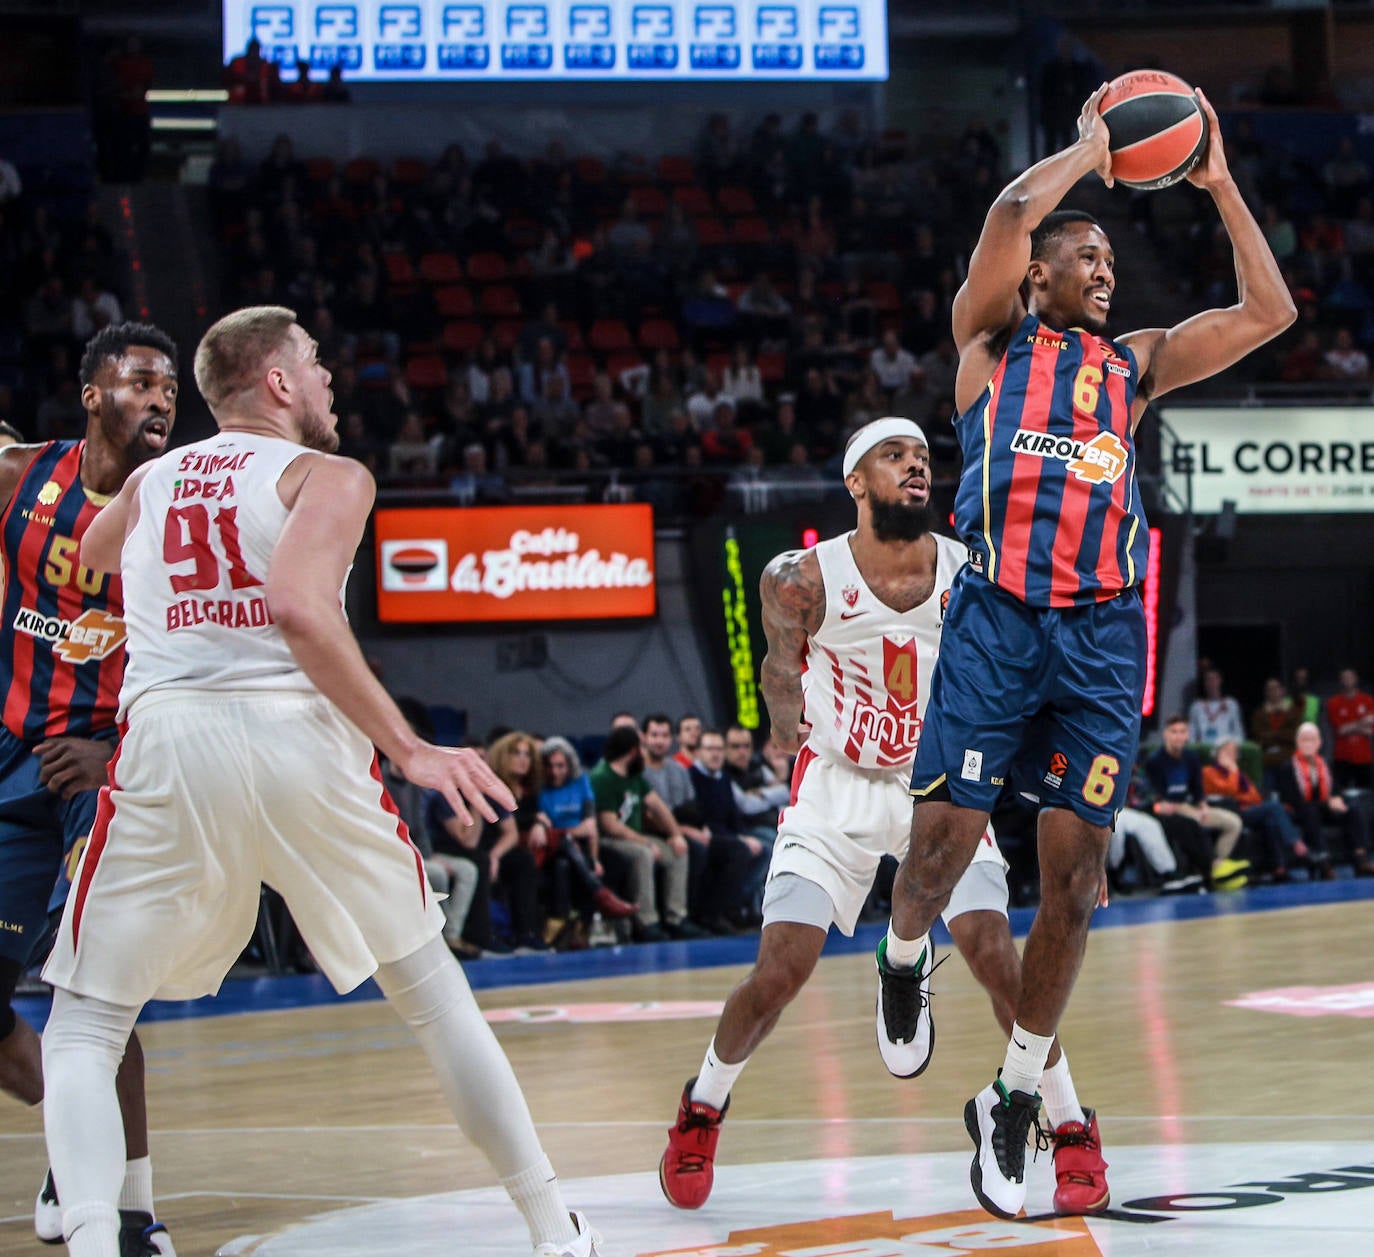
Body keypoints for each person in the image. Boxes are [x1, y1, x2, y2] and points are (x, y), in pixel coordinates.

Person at [39, 306, 601, 1257]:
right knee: (431, 994)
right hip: (296, 734)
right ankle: (554, 1227)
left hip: (170, 741)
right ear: (278, 384)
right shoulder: (329, 474)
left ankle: (96, 1239)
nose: (330, 376)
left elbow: (88, 558)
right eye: (315, 362)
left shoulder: (149, 480)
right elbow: (298, 606)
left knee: (85, 1024)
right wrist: (409, 747)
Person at [876, 84, 1294, 1220]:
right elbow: (1017, 204)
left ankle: (1015, 1092)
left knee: (1077, 885)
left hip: (1102, 637)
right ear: (1036, 277)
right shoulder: (988, 350)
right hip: (998, 620)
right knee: (935, 854)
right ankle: (903, 954)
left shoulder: (1137, 366)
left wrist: (1215, 183)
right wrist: (1090, 152)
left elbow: (1269, 310)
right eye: (1085, 256)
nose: (1105, 270)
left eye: (1112, 258)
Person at [659, 419, 1110, 1219]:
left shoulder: (975, 571)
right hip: (836, 782)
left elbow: (1035, 688)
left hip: (937, 786)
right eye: (893, 456)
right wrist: (780, 726)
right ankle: (703, 1105)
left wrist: (1068, 814)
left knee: (995, 956)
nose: (915, 466)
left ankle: (1070, 1124)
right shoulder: (800, 578)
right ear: (856, 482)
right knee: (778, 974)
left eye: (923, 458)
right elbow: (776, 664)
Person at [0, 323, 179, 1255]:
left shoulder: (181, 508)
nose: (159, 397)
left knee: (92, 996)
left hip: (113, 770)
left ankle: (135, 1209)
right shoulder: (21, 477)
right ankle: (74, 1153)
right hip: (11, 753)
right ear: (92, 393)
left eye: (170, 388)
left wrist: (113, 751)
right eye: (141, 380)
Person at [1145, 716, 1249, 888]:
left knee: (1234, 823)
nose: (1178, 736)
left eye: (1182, 732)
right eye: (1174, 732)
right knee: (1193, 820)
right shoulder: (1155, 760)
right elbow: (1158, 799)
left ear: (1188, 735)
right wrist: (1187, 809)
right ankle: (1214, 867)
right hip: (1167, 809)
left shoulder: (1191, 757)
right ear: (1166, 734)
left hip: (1190, 806)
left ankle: (1219, 869)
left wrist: (1203, 806)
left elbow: (1197, 790)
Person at [1326, 668, 1374, 791]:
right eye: (1344, 678)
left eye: (1350, 677)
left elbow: (1370, 731)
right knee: (1342, 793)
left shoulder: (1368, 701)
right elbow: (1340, 730)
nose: (1347, 681)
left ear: (1356, 679)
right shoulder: (1333, 702)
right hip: (1342, 756)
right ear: (1340, 681)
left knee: (1365, 793)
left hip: (1363, 756)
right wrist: (1361, 722)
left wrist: (1349, 727)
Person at [1187, 667, 1245, 749]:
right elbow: (1191, 732)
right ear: (1204, 683)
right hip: (1203, 749)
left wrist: (1234, 749)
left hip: (1225, 749)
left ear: (1220, 680)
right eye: (1208, 679)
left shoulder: (1231, 704)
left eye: (1214, 679)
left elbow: (1238, 732)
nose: (1211, 682)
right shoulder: (1196, 706)